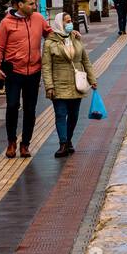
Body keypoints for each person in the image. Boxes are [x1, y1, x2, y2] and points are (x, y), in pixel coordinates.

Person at [0, 0, 52, 159]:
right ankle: (11, 142)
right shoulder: (6, 23)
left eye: (34, 3)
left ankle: (25, 144)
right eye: (31, 4)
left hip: (34, 71)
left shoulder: (38, 19)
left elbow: (51, 34)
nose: (34, 6)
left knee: (30, 109)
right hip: (13, 72)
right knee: (12, 106)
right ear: (20, 5)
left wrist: (69, 35)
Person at [42, 11, 95, 158]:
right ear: (60, 23)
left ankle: (69, 139)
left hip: (76, 84)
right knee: (60, 114)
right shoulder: (49, 42)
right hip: (59, 84)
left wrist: (92, 80)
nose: (70, 23)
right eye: (66, 21)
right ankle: (63, 143)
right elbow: (46, 67)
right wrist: (49, 86)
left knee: (74, 115)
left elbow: (85, 61)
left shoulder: (76, 39)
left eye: (70, 20)